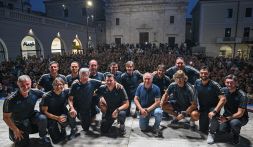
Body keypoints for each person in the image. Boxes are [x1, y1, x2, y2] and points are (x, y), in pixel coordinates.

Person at [3, 75, 50, 147]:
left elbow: (49, 96)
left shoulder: (35, 92)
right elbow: (6, 117)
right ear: (18, 84)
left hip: (31, 117)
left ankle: (42, 137)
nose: (25, 87)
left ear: (31, 83)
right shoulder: (10, 100)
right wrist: (15, 130)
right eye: (22, 85)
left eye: (27, 84)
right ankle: (13, 135)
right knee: (22, 144)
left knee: (42, 118)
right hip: (18, 123)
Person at [194, 66, 226, 144]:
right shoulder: (197, 82)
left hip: (213, 108)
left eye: (206, 73)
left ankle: (212, 133)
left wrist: (215, 111)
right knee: (202, 129)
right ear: (199, 74)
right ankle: (214, 125)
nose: (204, 75)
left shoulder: (215, 85)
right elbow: (194, 94)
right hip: (203, 108)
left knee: (214, 116)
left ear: (209, 74)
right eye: (202, 73)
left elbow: (223, 99)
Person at [41, 77, 78, 144]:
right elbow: (45, 112)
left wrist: (72, 108)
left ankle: (71, 129)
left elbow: (75, 89)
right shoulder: (47, 96)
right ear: (53, 86)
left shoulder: (66, 92)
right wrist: (57, 118)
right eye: (56, 85)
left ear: (63, 85)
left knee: (72, 112)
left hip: (62, 114)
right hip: (51, 117)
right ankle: (52, 130)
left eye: (61, 84)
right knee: (56, 140)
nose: (59, 86)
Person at [215, 75, 248, 144]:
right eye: (227, 82)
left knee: (234, 123)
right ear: (224, 82)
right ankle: (228, 128)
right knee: (220, 130)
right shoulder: (223, 91)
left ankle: (236, 136)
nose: (229, 84)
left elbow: (240, 113)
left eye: (231, 83)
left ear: (236, 83)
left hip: (240, 118)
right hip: (226, 116)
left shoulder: (242, 95)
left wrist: (226, 119)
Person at [68, 68, 103, 132]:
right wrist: (72, 108)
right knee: (71, 112)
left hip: (86, 108)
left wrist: (116, 83)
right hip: (76, 107)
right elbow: (70, 99)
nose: (84, 77)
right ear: (79, 75)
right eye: (82, 75)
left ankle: (94, 111)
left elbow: (105, 83)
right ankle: (73, 127)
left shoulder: (92, 82)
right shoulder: (75, 85)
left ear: (89, 75)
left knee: (85, 128)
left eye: (86, 75)